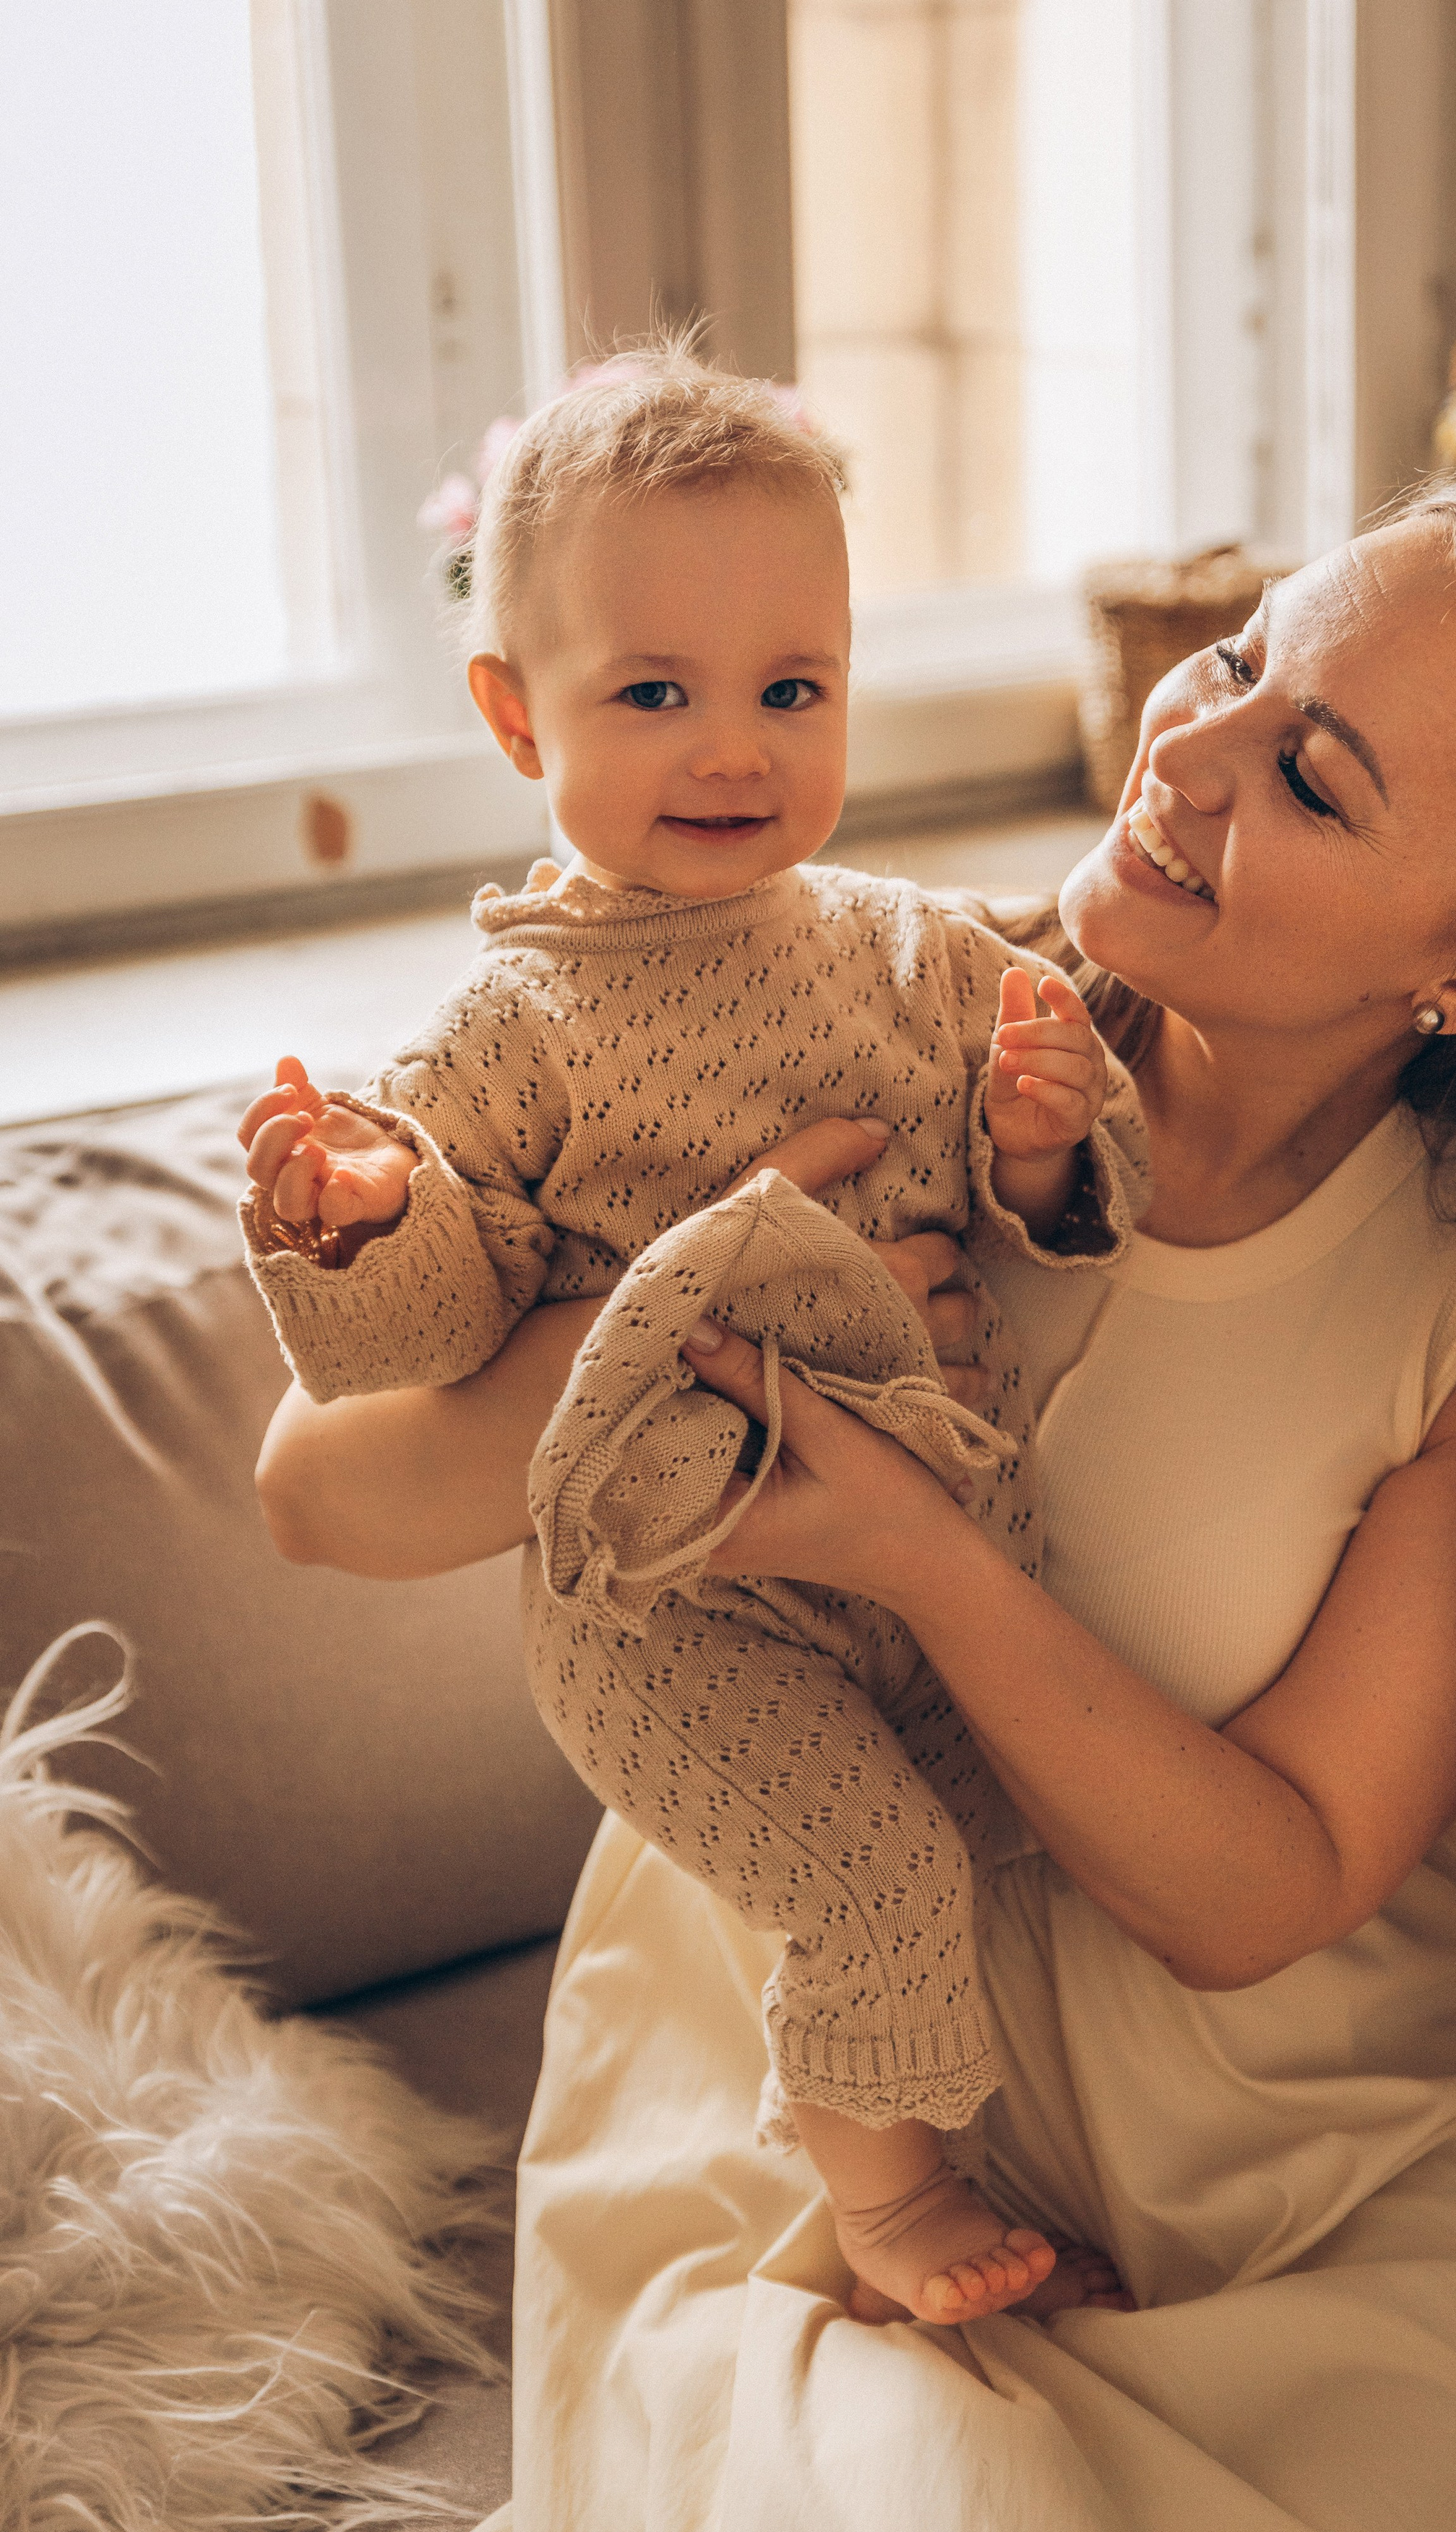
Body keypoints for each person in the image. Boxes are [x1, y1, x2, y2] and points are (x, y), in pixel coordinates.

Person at [257, 465, 1456, 2532]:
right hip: (808, 2108)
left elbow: (1263, 1887)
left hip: (1304, 2195)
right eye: (1235, 655)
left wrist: (919, 1551)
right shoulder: (900, 1011)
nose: (1179, 749)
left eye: (1309, 772)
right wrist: (704, 1303)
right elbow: (318, 1494)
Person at [234, 343, 1149, 2327]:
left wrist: (1038, 1136)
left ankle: (892, 2129)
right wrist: (361, 1222)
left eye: (789, 690)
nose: (732, 747)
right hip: (670, 1610)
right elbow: (430, 1332)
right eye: (653, 693)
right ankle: (888, 2207)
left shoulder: (909, 951)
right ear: (511, 713)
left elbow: (1052, 1219)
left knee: (997, 1859)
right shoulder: (510, 1030)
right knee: (878, 1883)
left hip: (921, 1566)